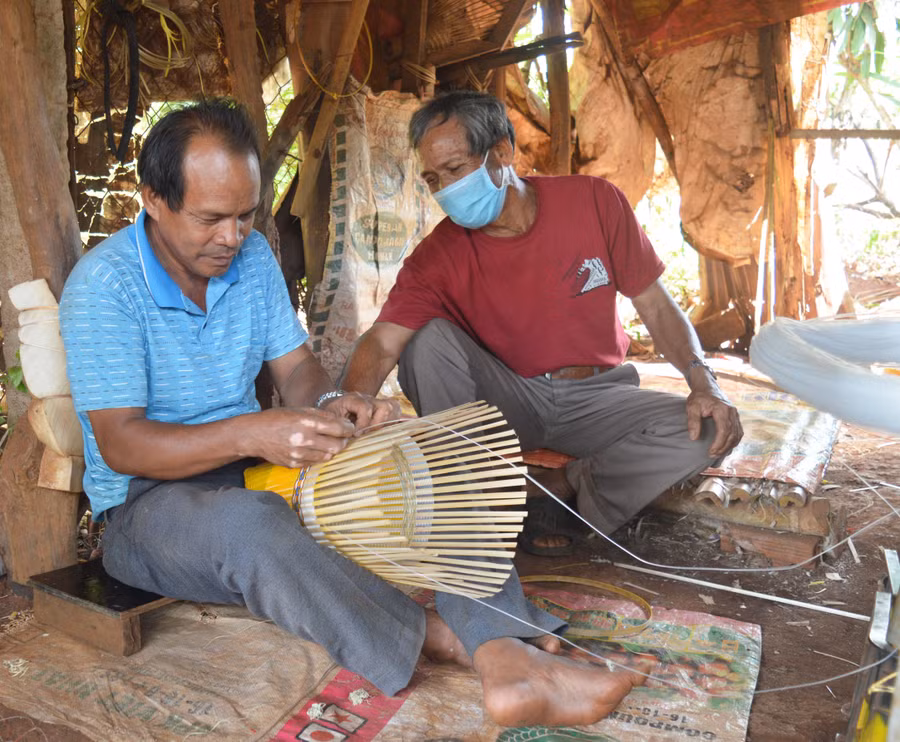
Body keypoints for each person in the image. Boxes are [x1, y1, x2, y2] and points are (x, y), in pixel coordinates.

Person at [59, 98, 651, 728]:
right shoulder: (107, 287)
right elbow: (123, 445)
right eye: (211, 219)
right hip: (150, 506)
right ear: (154, 199)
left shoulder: (251, 257)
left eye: (244, 215)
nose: (232, 237)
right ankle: (447, 640)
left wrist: (330, 406)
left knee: (429, 465)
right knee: (252, 526)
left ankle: (501, 646)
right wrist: (252, 433)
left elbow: (296, 373)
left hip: (255, 471)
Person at [340, 91, 744, 556]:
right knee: (424, 341)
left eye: (456, 170)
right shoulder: (437, 256)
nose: (446, 191)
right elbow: (383, 342)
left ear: (503, 153)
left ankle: (565, 487)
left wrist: (703, 380)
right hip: (509, 401)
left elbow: (654, 304)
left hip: (601, 396)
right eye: (433, 180)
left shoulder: (595, 202)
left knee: (710, 427)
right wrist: (344, 404)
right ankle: (477, 505)